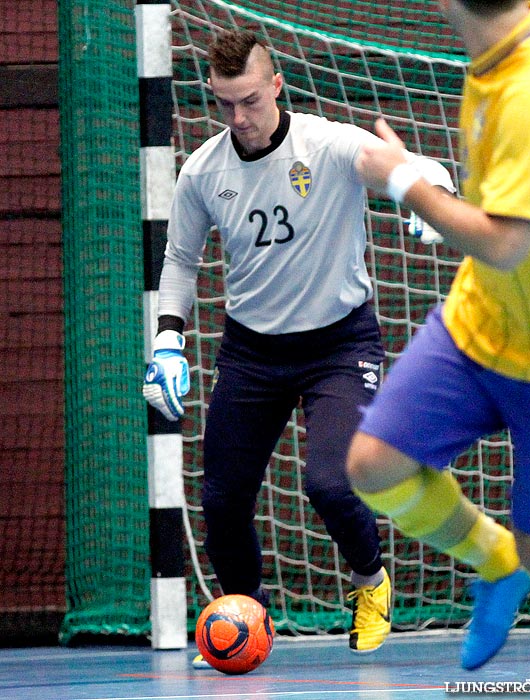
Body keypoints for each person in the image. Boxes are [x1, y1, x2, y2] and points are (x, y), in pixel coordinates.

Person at [346, 1, 530, 698]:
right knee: (373, 465)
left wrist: (401, 180)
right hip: (481, 320)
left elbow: (506, 244)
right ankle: (495, 559)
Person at [142, 28, 454, 666]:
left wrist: (431, 198)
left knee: (332, 486)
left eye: (250, 100)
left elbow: (408, 170)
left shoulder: (331, 145)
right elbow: (179, 261)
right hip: (252, 352)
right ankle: (242, 615)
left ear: (276, 84)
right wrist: (168, 342)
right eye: (224, 104)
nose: (239, 118)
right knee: (223, 498)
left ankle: (370, 581)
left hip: (340, 346)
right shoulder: (203, 171)